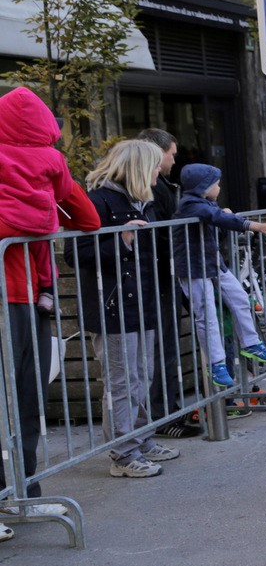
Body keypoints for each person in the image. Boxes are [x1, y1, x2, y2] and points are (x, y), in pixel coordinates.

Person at [0, 88, 100, 526]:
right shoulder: (51, 163)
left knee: (14, 400)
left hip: (17, 296)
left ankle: (14, 495)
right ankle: (22, 491)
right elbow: (89, 219)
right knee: (27, 399)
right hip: (27, 298)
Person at [80, 140, 180, 478]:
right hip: (114, 306)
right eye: (154, 166)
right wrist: (120, 241)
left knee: (141, 376)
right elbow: (76, 253)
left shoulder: (142, 201)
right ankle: (122, 454)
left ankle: (141, 439)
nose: (159, 172)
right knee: (121, 381)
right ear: (139, 167)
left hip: (142, 300)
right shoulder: (99, 200)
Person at [173, 164, 266, 388]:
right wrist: (255, 225)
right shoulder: (191, 205)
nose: (219, 187)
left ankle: (251, 343)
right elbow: (215, 217)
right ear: (204, 186)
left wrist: (227, 217)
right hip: (195, 268)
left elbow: (218, 225)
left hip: (213, 263)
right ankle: (217, 364)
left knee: (240, 298)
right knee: (207, 315)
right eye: (216, 184)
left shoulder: (207, 205)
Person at [136, 128, 200, 440]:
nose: (174, 161)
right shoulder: (151, 187)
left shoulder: (157, 185)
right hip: (159, 277)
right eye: (172, 154)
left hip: (163, 275)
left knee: (164, 347)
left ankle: (166, 411)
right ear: (156, 152)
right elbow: (162, 234)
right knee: (162, 348)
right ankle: (163, 416)